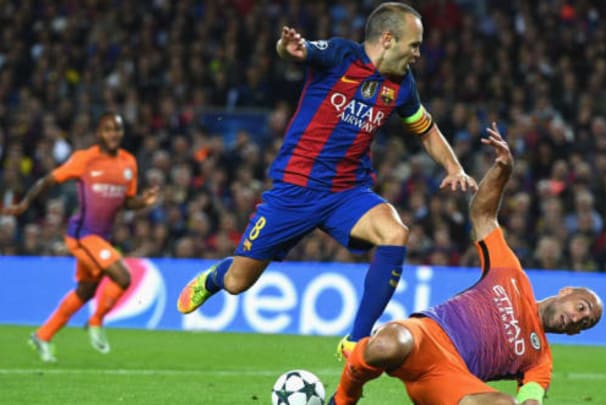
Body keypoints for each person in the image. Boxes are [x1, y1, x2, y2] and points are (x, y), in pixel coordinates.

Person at [177, 2, 477, 357]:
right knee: (237, 282)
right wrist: (287, 48)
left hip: (347, 193)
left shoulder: (402, 86)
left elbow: (426, 130)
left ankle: (356, 341)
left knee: (395, 232)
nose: (417, 53)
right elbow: (299, 51)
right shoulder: (340, 55)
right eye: (413, 44)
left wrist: (454, 167)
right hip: (295, 190)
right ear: (387, 39)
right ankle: (215, 277)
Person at [328, 124, 604, 405]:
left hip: (452, 379)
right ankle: (342, 400)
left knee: (505, 404)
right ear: (566, 291)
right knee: (388, 343)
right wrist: (502, 171)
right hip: (427, 335)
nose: (577, 319)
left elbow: (530, 399)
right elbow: (483, 216)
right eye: (581, 308)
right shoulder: (511, 275)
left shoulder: (540, 360)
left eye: (585, 323)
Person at [2, 113, 159, 362]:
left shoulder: (129, 163)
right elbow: (48, 180)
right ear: (99, 133)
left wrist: (143, 202)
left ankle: (43, 335)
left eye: (117, 130)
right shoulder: (85, 159)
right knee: (123, 276)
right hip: (81, 235)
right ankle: (95, 321)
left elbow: (126, 202)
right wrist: (25, 204)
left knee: (85, 291)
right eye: (107, 130)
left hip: (101, 239)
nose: (113, 134)